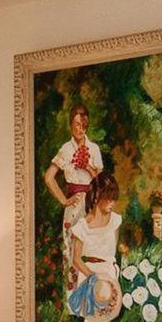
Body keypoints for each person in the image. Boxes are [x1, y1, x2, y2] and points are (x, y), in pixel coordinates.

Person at [65, 172, 124, 322]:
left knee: (107, 318)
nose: (112, 203)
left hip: (108, 273)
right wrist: (94, 277)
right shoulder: (83, 226)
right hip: (90, 274)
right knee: (93, 321)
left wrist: (108, 276)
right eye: (109, 198)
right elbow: (76, 259)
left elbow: (111, 253)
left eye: (114, 199)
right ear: (98, 196)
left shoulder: (115, 221)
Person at [42, 105, 103, 248]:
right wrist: (64, 200)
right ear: (71, 125)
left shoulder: (94, 149)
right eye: (77, 124)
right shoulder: (66, 149)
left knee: (90, 249)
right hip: (73, 207)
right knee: (71, 248)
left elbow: (101, 183)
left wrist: (88, 167)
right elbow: (48, 177)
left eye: (84, 125)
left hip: (92, 206)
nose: (81, 129)